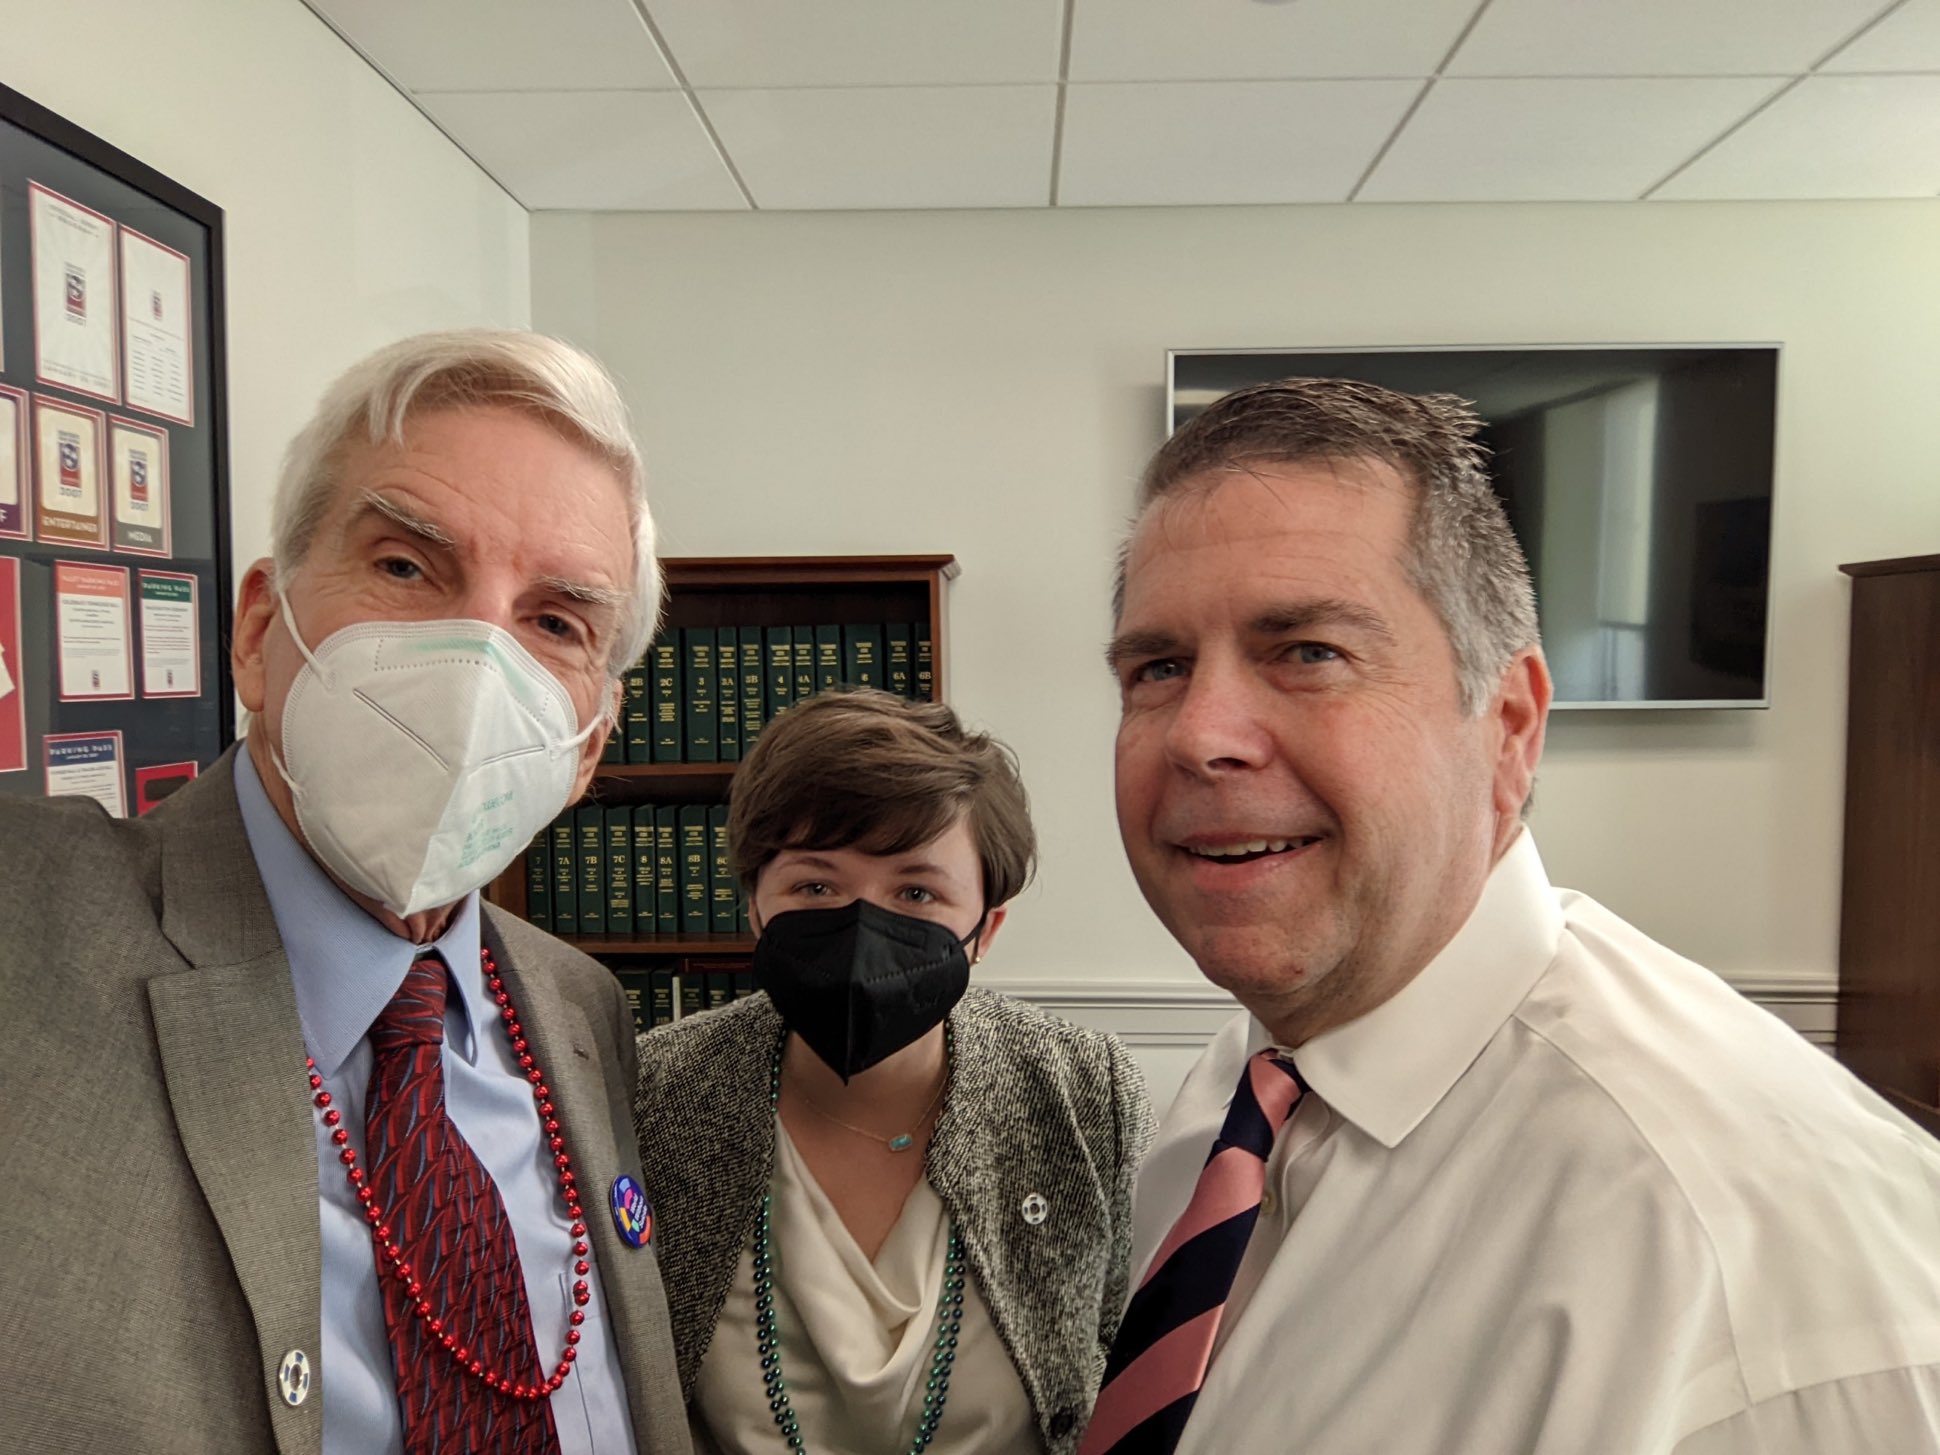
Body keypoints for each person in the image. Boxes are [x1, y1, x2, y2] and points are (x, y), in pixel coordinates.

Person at [1084, 377, 1940, 1455]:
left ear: (1508, 726)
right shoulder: (1242, 1089)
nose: (1198, 734)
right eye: (1156, 667)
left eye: (1306, 652)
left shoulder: (1750, 1257)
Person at [0, 331, 690, 1454]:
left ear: (587, 749)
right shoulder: (29, 918)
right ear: (262, 632)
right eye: (406, 567)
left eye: (555, 622)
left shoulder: (579, 1009)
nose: (475, 665)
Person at [633, 689, 1154, 1455]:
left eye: (916, 892)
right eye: (816, 886)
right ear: (755, 906)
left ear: (986, 929)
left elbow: (1124, 1390)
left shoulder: (1084, 1093)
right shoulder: (655, 1092)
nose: (862, 923)